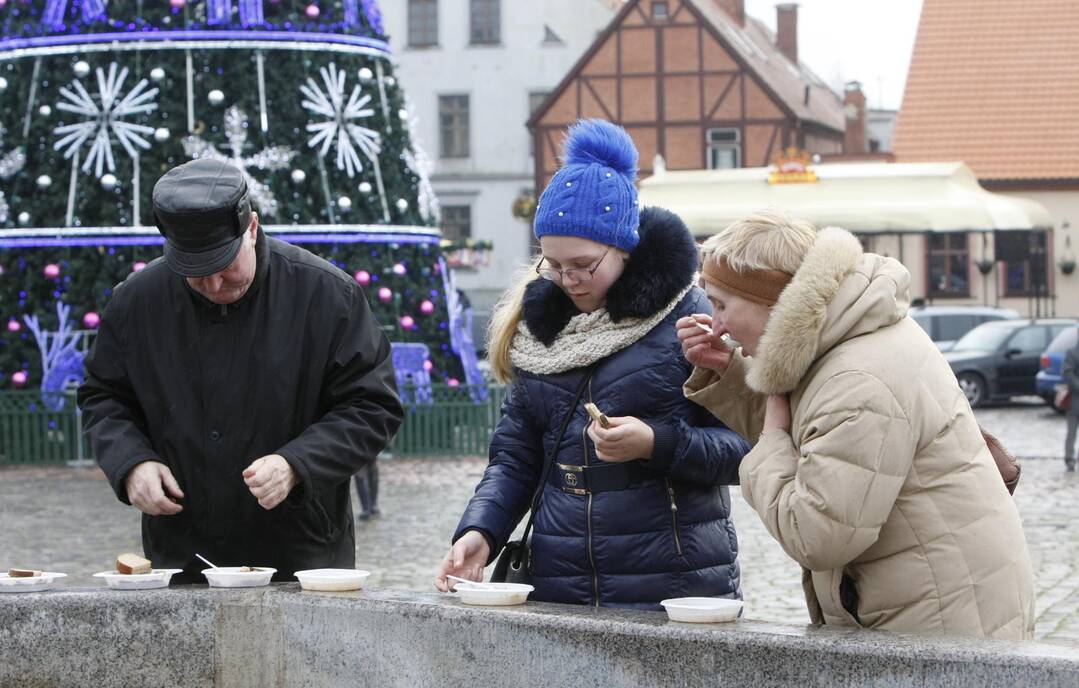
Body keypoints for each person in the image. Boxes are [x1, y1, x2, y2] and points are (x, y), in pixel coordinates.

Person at [433, 119, 749, 609]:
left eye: (583, 265)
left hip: (673, 577)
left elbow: (743, 450)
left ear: (623, 248)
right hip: (559, 572)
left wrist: (656, 443)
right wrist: (482, 530)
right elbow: (517, 454)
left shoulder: (689, 318)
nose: (568, 280)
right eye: (553, 266)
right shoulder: (541, 330)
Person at [676, 210, 1035, 639]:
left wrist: (770, 442)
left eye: (721, 305)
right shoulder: (847, 332)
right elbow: (822, 439)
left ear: (772, 302)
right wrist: (731, 374)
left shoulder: (856, 378)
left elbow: (818, 533)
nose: (716, 325)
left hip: (934, 621)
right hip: (935, 603)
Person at [78, 158, 403, 582]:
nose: (214, 286)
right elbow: (103, 397)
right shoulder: (136, 303)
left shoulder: (327, 295)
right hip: (183, 553)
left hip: (302, 554)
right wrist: (131, 462)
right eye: (195, 274)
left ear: (251, 227)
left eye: (224, 266)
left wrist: (296, 464)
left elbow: (372, 405)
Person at [1062, 331, 1079, 471]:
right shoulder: (1072, 353)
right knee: (1072, 432)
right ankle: (1069, 459)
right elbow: (1068, 373)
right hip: (1075, 401)